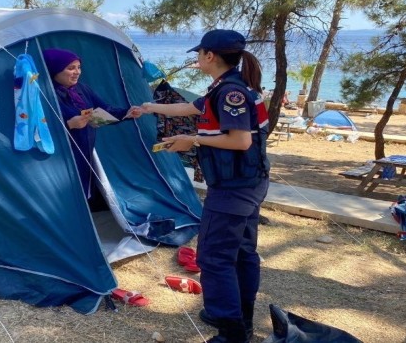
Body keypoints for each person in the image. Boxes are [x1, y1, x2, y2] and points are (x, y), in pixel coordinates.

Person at [139, 29, 269, 343]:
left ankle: (232, 331)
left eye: (200, 53)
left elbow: (240, 140)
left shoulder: (230, 93)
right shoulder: (225, 88)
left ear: (210, 56)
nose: (197, 58)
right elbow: (192, 108)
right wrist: (150, 107)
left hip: (234, 188)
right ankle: (240, 317)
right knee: (241, 252)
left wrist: (192, 139)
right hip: (248, 183)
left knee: (214, 257)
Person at [42, 48, 142, 212]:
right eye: (71, 68)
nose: (77, 72)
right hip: (60, 157)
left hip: (84, 149)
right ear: (55, 69)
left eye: (79, 67)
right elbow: (40, 130)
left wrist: (127, 113)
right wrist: (69, 125)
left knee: (83, 187)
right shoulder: (45, 93)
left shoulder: (82, 89)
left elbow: (104, 109)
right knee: (65, 192)